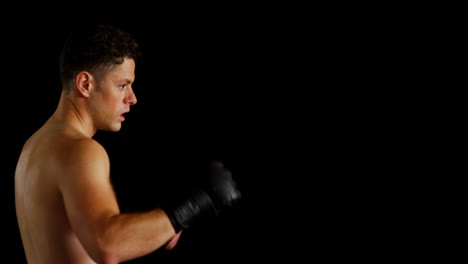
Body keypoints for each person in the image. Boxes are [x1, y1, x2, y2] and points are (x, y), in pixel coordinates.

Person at [14, 24, 241, 264]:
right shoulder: (80, 149)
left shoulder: (33, 148)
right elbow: (108, 244)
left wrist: (159, 226)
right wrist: (197, 203)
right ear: (85, 84)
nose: (132, 98)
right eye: (122, 85)